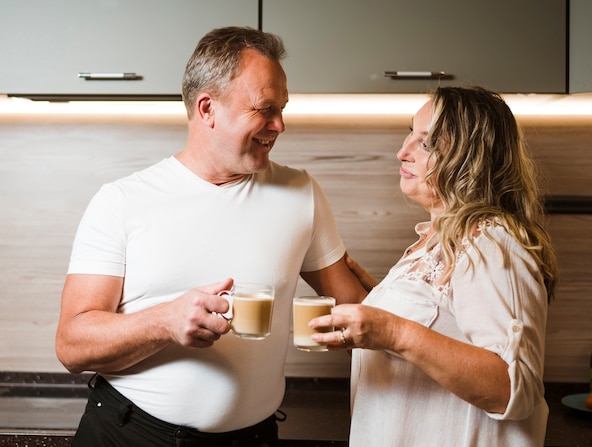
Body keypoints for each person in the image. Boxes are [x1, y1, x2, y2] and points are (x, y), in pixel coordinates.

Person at [55, 26, 366, 447]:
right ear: (207, 109)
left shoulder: (301, 193)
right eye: (264, 109)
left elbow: (355, 308)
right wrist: (165, 322)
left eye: (283, 109)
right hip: (127, 433)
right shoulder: (121, 201)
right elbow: (73, 346)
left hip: (253, 439)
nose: (279, 125)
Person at [310, 86, 559, 446]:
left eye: (426, 144)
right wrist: (381, 300)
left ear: (469, 159)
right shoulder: (437, 240)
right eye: (409, 133)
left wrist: (395, 330)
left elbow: (512, 389)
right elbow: (448, 326)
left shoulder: (491, 241)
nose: (403, 152)